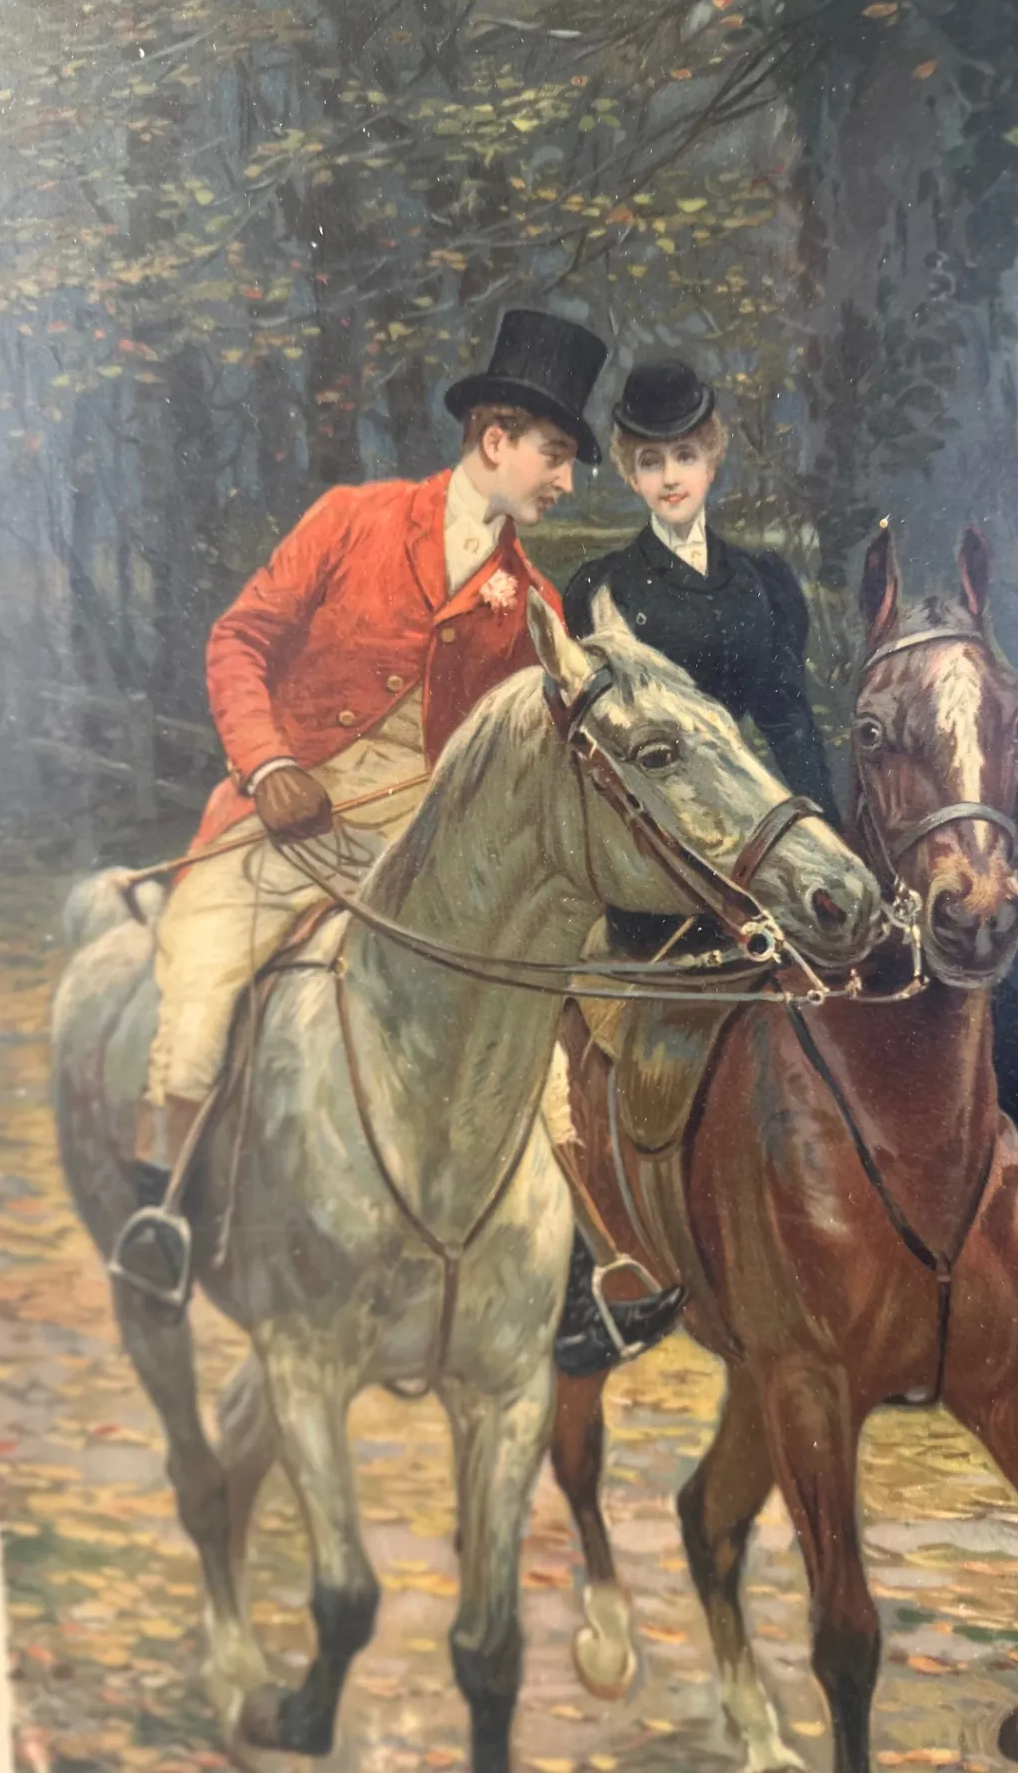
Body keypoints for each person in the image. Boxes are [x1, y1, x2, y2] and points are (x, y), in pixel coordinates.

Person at [553, 357, 1018, 1378]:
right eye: (649, 462)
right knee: (581, 1064)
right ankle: (592, 1283)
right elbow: (608, 759)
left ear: (713, 458)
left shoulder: (765, 585)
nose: (670, 477)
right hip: (667, 879)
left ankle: (1015, 1217)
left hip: (776, 855)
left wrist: (817, 851)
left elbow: (788, 724)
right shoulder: (600, 592)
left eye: (685, 455)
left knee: (965, 1005)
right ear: (630, 472)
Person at [110, 308, 684, 1369]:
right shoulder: (353, 519)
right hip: (285, 817)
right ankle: (161, 1211)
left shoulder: (533, 602)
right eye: (556, 454)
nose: (566, 481)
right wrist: (268, 764)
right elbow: (238, 639)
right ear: (496, 438)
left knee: (525, 1022)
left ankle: (577, 1278)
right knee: (203, 967)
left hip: (418, 852)